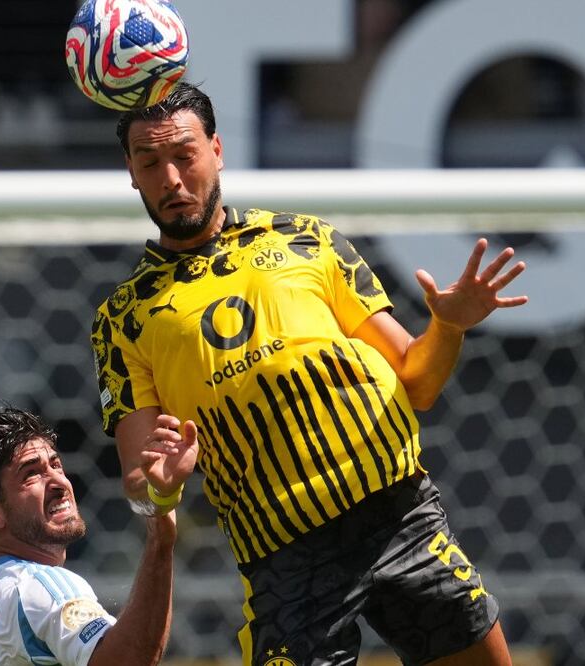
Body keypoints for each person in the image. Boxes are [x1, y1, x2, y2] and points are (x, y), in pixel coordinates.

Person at [90, 83, 526, 665]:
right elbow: (140, 485)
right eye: (149, 163)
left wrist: (447, 328)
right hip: (285, 557)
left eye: (184, 155)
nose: (170, 179)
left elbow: (417, 383)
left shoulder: (306, 238)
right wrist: (162, 487)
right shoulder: (124, 318)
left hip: (399, 514)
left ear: (217, 150)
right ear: (131, 173)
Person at [0, 402, 197, 666]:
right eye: (31, 474)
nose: (59, 481)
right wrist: (160, 537)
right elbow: (127, 661)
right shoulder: (43, 588)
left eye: (55, 465)